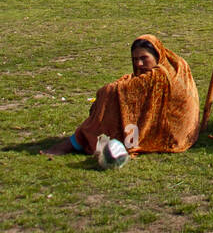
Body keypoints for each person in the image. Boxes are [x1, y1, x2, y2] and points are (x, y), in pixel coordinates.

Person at [44, 36, 200, 157]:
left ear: (157, 55)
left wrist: (104, 94)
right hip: (183, 132)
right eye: (135, 59)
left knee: (111, 97)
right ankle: (78, 140)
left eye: (144, 58)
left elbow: (120, 91)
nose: (139, 64)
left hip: (172, 134)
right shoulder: (175, 65)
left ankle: (76, 141)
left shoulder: (160, 76)